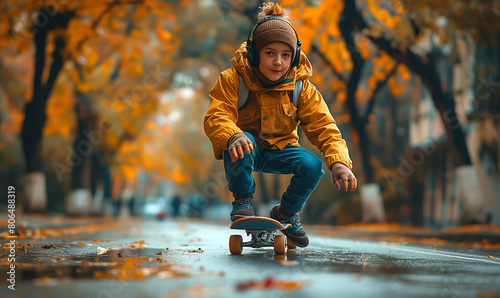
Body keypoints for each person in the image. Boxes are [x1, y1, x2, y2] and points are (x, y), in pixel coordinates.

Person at [203, 2, 357, 248]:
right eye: (270, 53)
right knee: (241, 141)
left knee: (312, 165)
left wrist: (339, 161)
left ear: (294, 56)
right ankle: (243, 201)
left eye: (286, 55)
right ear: (254, 54)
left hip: (282, 150)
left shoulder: (301, 88)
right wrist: (233, 135)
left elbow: (324, 126)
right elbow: (216, 115)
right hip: (246, 149)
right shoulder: (233, 80)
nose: (278, 62)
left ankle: (285, 215)